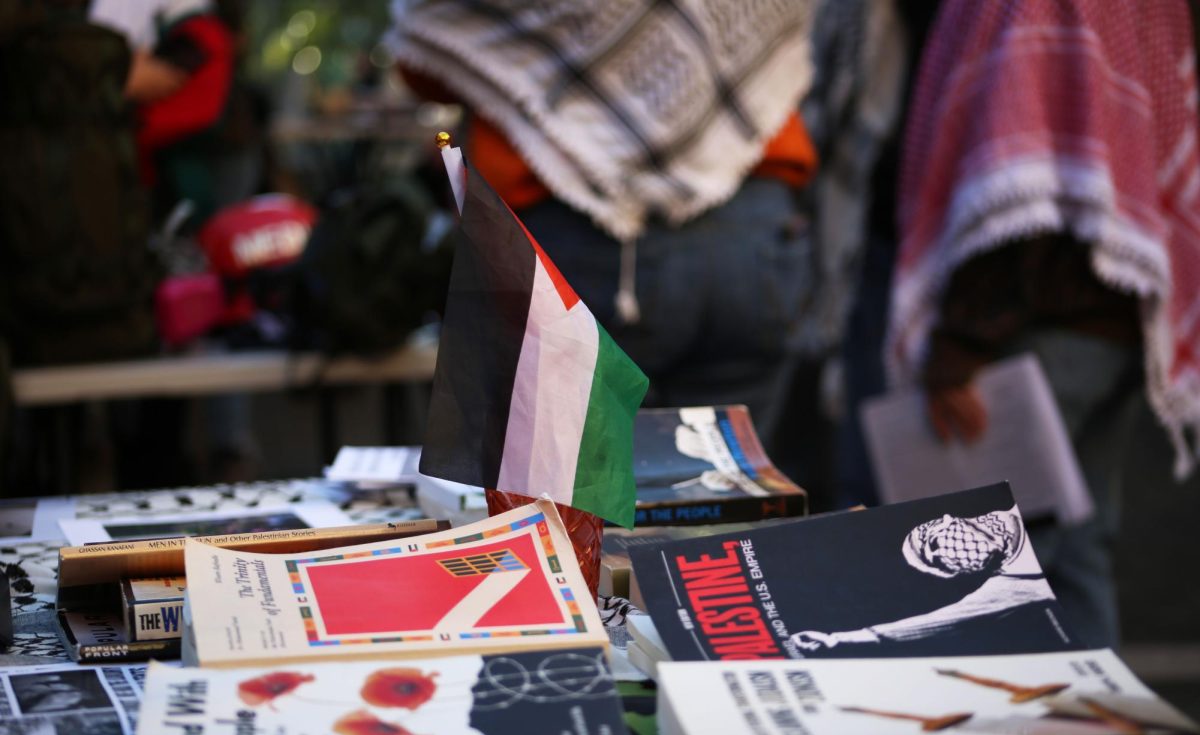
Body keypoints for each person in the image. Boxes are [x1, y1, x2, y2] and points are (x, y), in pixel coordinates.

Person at [886, 0, 1200, 648]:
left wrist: (960, 343)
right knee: (1079, 547)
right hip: (1123, 314)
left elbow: (1015, 169)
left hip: (1037, 323)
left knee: (990, 571)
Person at [387, 2, 820, 459]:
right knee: (728, 498)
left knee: (582, 518)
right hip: (750, 235)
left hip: (571, 228)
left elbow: (429, 60)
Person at [789, 506, 1062, 653]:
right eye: (934, 544)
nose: (946, 524)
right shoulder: (1012, 586)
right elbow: (934, 621)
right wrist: (837, 640)